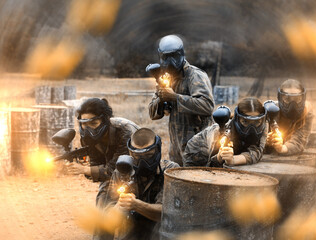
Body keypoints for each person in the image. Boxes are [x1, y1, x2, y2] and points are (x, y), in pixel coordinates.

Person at [65, 98, 139, 240]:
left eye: (93, 123)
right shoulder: (88, 137)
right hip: (113, 177)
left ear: (104, 120)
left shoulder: (124, 131)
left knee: (129, 221)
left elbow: (117, 169)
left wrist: (84, 170)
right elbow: (99, 168)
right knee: (103, 210)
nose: (88, 129)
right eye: (84, 124)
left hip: (136, 174)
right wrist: (86, 168)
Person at [148, 35, 214, 166]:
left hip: (198, 146)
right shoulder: (166, 78)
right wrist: (161, 99)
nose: (170, 61)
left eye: (174, 56)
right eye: (166, 57)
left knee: (195, 183)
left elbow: (207, 106)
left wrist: (175, 97)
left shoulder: (195, 76)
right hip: (176, 147)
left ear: (181, 54)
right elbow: (152, 114)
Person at [105, 128, 179, 240]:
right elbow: (107, 217)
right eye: (137, 156)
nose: (142, 162)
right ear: (130, 153)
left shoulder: (170, 171)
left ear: (157, 150)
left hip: (159, 231)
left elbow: (168, 214)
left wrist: (136, 205)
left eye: (148, 155)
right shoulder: (122, 171)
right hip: (131, 230)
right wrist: (120, 206)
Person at [183, 97, 268, 167]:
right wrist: (221, 157)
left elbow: (257, 152)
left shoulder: (263, 126)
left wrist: (233, 160)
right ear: (238, 119)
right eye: (245, 122)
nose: (251, 128)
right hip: (197, 154)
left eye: (256, 122)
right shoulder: (222, 132)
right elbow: (211, 165)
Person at [265, 79, 313, 155]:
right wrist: (267, 142)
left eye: (297, 99)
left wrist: (282, 148)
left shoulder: (306, 112)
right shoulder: (271, 111)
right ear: (280, 97)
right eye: (287, 99)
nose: (292, 104)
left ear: (303, 98)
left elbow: (299, 140)